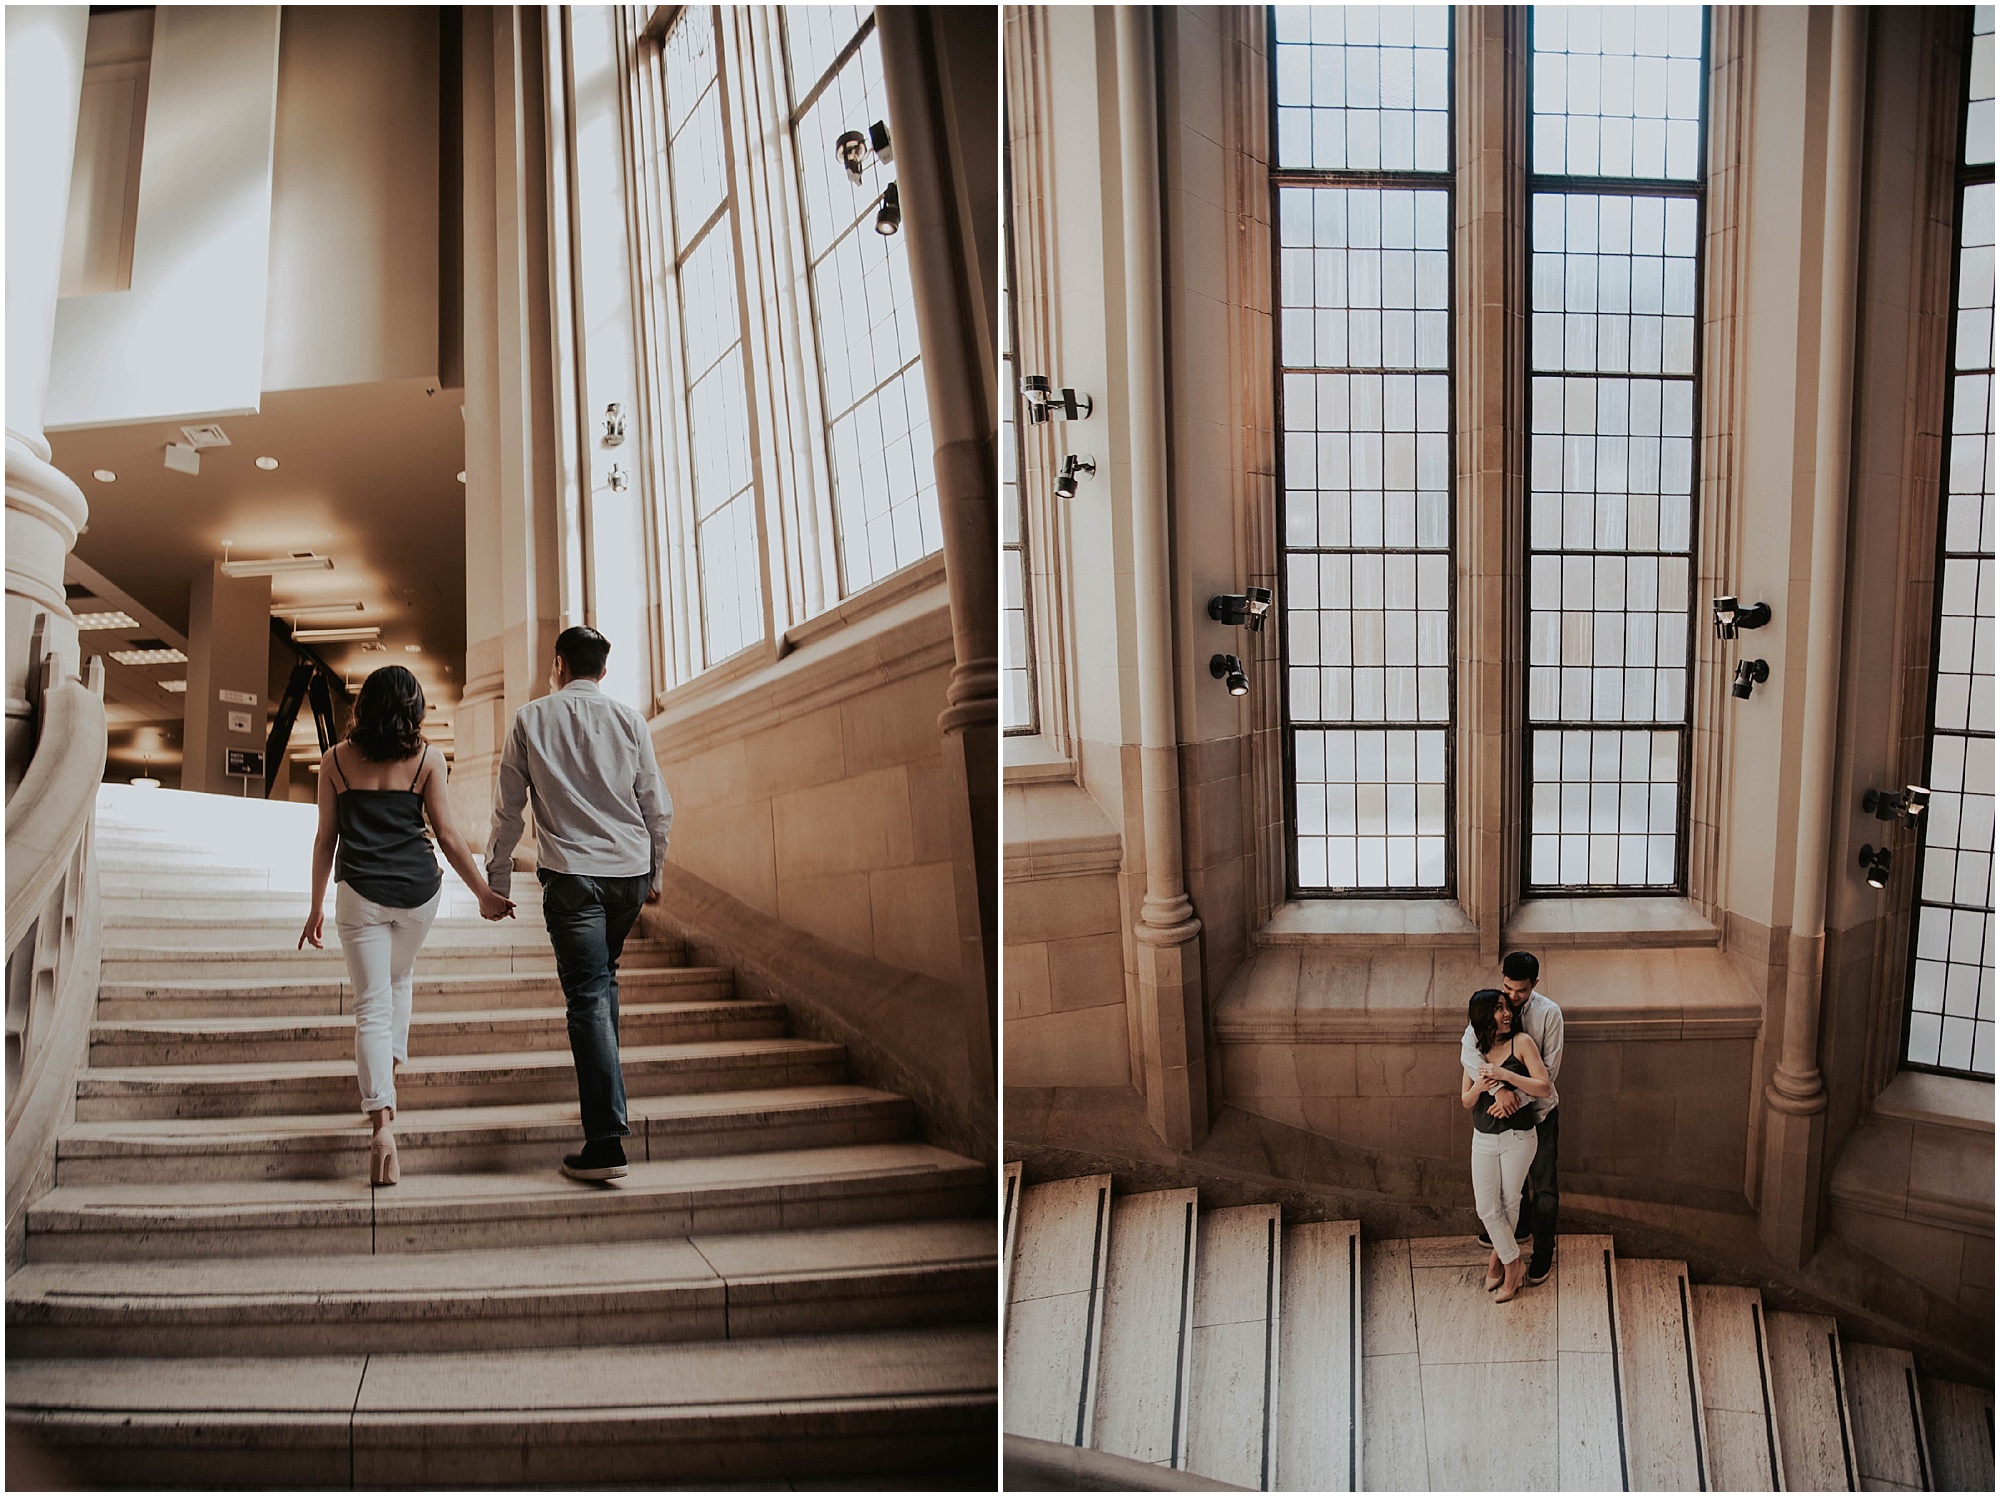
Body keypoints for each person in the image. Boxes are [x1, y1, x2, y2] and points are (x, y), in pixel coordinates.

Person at [300, 665, 515, 1186]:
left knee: (372, 1003)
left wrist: (314, 907)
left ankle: (381, 1127)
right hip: (419, 894)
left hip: (359, 895)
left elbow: (325, 837)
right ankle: (388, 1080)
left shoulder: (334, 762)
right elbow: (447, 834)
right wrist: (483, 893)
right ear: (413, 709)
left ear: (366, 706)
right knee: (398, 980)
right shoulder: (427, 760)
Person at [486, 626, 673, 1182]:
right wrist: (656, 871)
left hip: (573, 877)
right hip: (628, 875)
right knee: (602, 979)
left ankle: (606, 1141)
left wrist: (496, 880)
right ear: (604, 672)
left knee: (588, 993)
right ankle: (604, 1095)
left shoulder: (530, 719)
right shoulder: (630, 721)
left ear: (559, 664)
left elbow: (508, 811)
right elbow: (656, 806)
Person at [1459, 950, 1565, 1284]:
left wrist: (1513, 1098)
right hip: (1498, 1119)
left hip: (1539, 1114)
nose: (1514, 998)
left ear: (1535, 983)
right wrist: (1496, 1094)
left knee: (1544, 1188)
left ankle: (1543, 1252)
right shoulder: (1494, 1007)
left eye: (1521, 991)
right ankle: (1511, 1236)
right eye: (1508, 988)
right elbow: (1469, 1052)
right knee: (1507, 1190)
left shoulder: (1549, 1014)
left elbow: (1549, 1072)